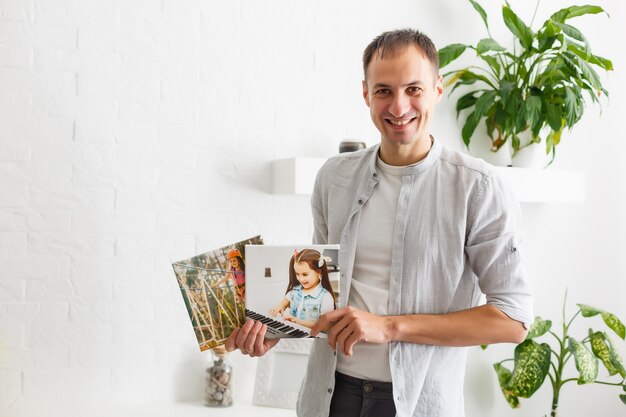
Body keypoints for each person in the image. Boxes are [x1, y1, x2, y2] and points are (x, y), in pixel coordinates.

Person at [226, 28, 533, 417]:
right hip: (329, 396)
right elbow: (325, 294)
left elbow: (514, 319)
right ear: (366, 94)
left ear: (438, 89)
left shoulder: (478, 187)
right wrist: (275, 328)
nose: (399, 106)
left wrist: (389, 327)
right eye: (384, 90)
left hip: (419, 402)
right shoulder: (333, 178)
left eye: (414, 89)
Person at [269, 249, 337, 329]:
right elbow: (283, 304)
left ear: (318, 272)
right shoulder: (294, 291)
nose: (300, 279)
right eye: (297, 274)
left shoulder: (325, 297)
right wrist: (278, 308)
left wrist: (297, 321)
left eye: (305, 274)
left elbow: (326, 325)